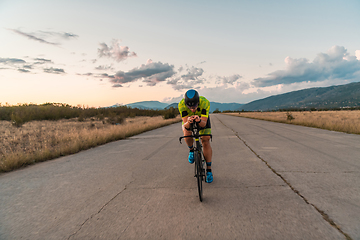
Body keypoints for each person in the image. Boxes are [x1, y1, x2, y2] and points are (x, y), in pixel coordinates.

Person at [178, 89, 213, 183]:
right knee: (187, 134)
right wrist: (189, 122)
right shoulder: (181, 105)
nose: (193, 109)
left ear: (198, 102)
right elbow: (186, 125)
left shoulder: (205, 102)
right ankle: (191, 150)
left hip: (202, 120)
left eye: (195, 106)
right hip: (188, 121)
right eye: (190, 107)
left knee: (205, 140)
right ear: (186, 104)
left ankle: (209, 170)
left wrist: (198, 120)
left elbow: (203, 124)